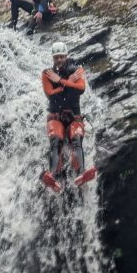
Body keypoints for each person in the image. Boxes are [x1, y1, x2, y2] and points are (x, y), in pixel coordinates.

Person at [40, 41, 97, 193]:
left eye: (61, 57)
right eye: (56, 57)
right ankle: (52, 176)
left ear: (66, 56)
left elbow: (81, 88)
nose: (59, 60)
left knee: (76, 139)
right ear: (53, 58)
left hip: (74, 116)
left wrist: (60, 82)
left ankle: (82, 172)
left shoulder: (77, 70)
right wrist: (66, 83)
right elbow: (49, 93)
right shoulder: (47, 73)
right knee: (55, 140)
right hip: (55, 115)